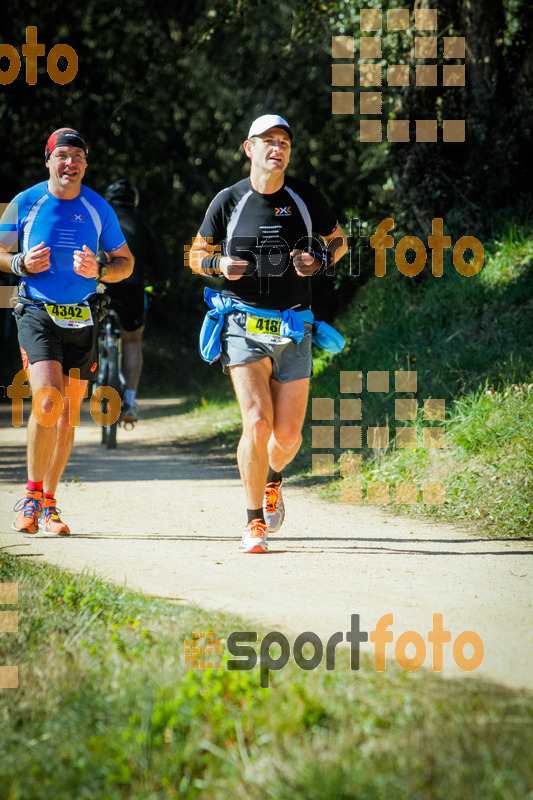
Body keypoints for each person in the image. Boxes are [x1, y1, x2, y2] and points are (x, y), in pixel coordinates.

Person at [190, 114, 347, 553]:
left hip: (295, 325)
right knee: (256, 423)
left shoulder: (304, 196)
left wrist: (319, 260)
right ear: (249, 148)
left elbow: (339, 242)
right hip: (242, 324)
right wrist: (216, 265)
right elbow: (195, 254)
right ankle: (253, 520)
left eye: (284, 142)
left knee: (288, 437)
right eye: (268, 141)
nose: (277, 148)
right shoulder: (229, 200)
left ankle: (273, 478)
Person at [0, 127, 134, 536]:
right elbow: (1, 252)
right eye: (62, 156)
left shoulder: (98, 208)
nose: (70, 163)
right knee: (46, 403)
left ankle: (50, 504)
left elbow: (125, 262)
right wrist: (20, 263)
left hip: (82, 316)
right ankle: (31, 493)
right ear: (48, 162)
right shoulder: (24, 202)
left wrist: (102, 271)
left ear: (86, 164)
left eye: (77, 156)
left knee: (67, 417)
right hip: (36, 310)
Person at [100, 179, 171, 423]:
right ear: (135, 201)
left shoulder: (98, 219)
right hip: (132, 287)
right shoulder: (145, 225)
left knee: (84, 333)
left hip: (98, 285)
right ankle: (129, 403)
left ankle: (82, 387)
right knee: (132, 340)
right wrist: (159, 288)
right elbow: (161, 265)